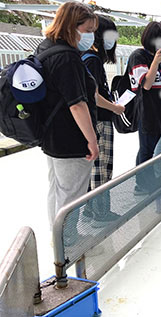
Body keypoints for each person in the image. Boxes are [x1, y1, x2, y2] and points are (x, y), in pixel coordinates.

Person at [36, 1, 98, 227]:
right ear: (73, 26)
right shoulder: (67, 57)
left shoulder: (45, 47)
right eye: (88, 30)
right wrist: (92, 140)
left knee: (57, 190)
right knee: (71, 197)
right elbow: (77, 105)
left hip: (50, 134)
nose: (90, 36)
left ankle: (58, 241)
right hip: (70, 138)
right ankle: (68, 246)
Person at [83, 15, 125, 189]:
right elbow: (93, 95)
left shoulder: (85, 56)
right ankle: (100, 212)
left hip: (93, 118)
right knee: (101, 167)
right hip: (99, 119)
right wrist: (114, 108)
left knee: (94, 167)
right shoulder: (92, 59)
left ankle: (94, 210)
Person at [127, 21, 161, 166]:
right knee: (146, 151)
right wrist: (155, 62)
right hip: (147, 111)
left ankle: (152, 181)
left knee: (157, 151)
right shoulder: (138, 56)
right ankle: (142, 184)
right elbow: (146, 85)